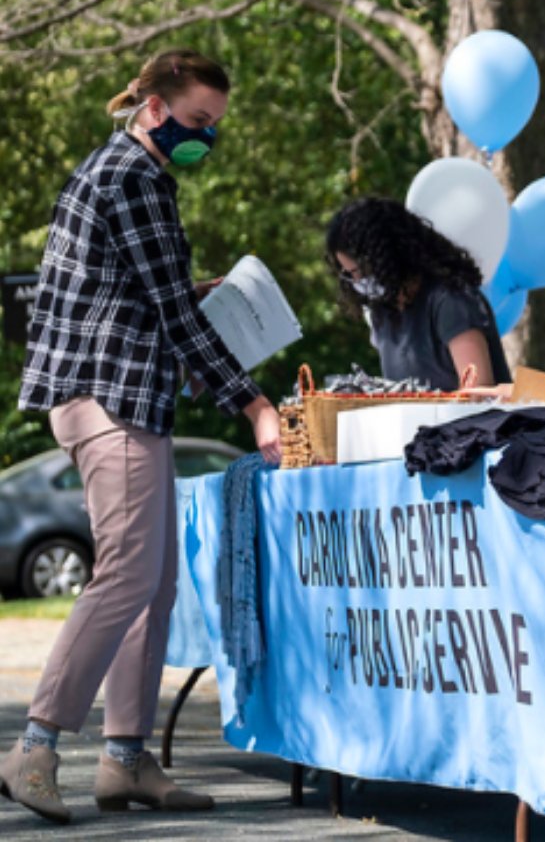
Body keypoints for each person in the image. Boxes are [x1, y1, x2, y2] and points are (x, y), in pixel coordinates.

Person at [3, 49, 281, 825]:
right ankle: (33, 749)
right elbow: (173, 317)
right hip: (111, 399)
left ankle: (125, 760)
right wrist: (255, 405)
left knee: (153, 584)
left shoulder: (118, 171)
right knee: (128, 577)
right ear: (154, 108)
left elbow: (128, 291)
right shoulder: (134, 177)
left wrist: (189, 294)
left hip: (113, 396)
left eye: (215, 125)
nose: (206, 138)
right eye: (197, 121)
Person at [326, 197, 511, 391]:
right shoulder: (384, 312)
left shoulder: (450, 300)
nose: (357, 281)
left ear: (387, 258)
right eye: (349, 274)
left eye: (360, 271)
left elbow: (479, 390)